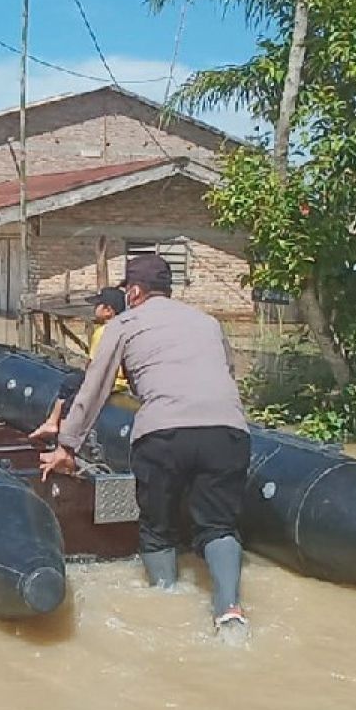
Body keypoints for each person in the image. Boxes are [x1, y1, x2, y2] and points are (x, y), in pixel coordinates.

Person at [39, 255, 252, 640]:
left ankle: (166, 602)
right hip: (228, 431)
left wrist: (67, 446)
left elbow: (94, 388)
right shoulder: (208, 322)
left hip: (163, 434)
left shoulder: (124, 324)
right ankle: (229, 611)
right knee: (218, 526)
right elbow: (228, 375)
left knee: (157, 529)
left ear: (133, 291)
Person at [29, 286, 128, 441]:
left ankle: (55, 424)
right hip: (122, 383)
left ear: (108, 310)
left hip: (107, 381)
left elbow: (93, 365)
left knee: (71, 385)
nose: (94, 308)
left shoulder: (102, 332)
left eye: (97, 305)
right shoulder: (125, 329)